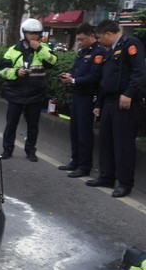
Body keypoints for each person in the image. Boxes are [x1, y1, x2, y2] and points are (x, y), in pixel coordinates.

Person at [86, 19, 145, 198]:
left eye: (99, 37)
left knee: (123, 145)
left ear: (108, 34)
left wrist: (129, 93)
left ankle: (125, 183)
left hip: (124, 102)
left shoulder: (131, 44)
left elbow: (139, 71)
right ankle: (106, 176)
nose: (99, 41)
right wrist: (99, 104)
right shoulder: (110, 51)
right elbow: (107, 80)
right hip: (109, 102)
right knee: (106, 142)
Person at [0, 18, 58, 161]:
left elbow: (53, 62)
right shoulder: (13, 50)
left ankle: (30, 151)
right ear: (24, 33)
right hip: (15, 93)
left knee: (33, 126)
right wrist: (16, 72)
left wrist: (39, 48)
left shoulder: (44, 49)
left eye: (36, 33)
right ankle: (7, 150)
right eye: (30, 33)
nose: (33, 36)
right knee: (11, 124)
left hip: (36, 94)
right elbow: (2, 70)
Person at [58, 23, 106, 178]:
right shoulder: (82, 52)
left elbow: (94, 76)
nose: (80, 42)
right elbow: (75, 69)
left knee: (84, 132)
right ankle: (75, 160)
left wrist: (73, 81)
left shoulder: (98, 53)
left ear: (92, 36)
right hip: (78, 96)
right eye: (78, 39)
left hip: (88, 97)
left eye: (82, 39)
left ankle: (84, 166)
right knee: (74, 130)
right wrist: (68, 75)